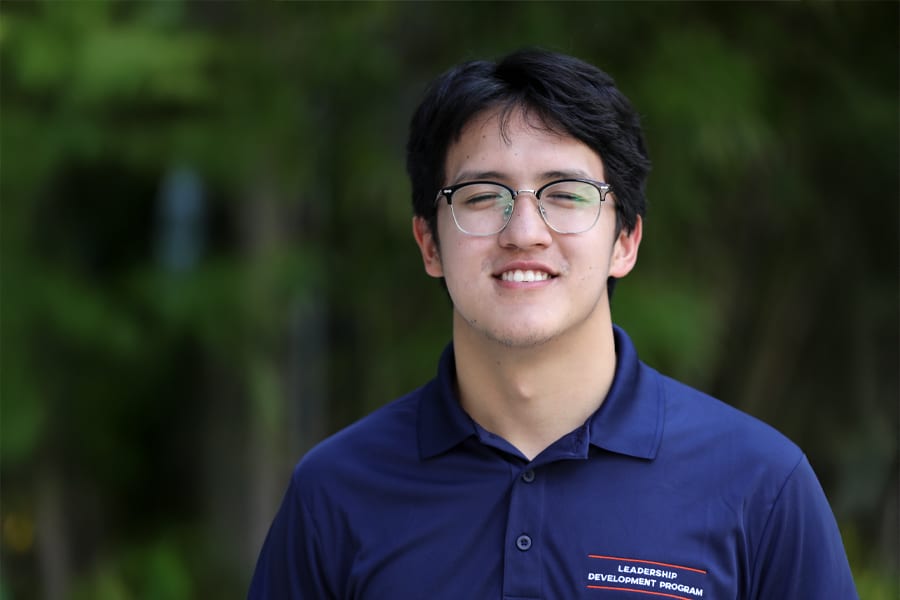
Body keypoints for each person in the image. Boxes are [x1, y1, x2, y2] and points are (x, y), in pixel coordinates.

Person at [248, 49, 858, 599]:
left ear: (625, 239)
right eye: (484, 195)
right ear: (429, 244)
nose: (524, 233)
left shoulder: (761, 484)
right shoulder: (335, 492)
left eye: (566, 193)